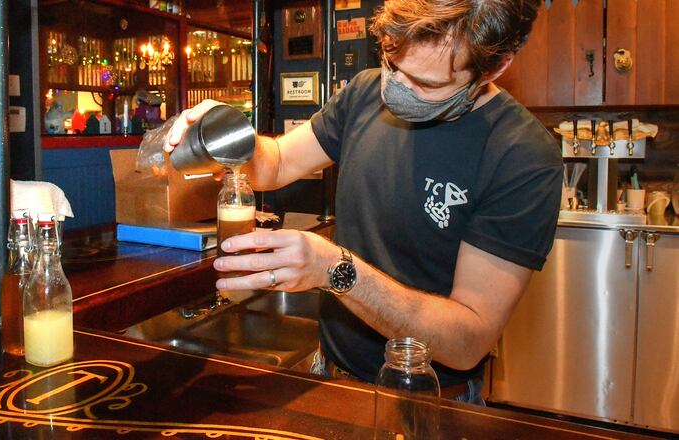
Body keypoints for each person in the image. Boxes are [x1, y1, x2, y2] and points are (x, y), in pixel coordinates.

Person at [166, 0, 561, 404]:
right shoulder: (366, 92)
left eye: (426, 84)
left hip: (427, 400)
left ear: (495, 67)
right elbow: (279, 162)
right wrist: (227, 135)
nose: (397, 88)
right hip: (330, 375)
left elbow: (467, 341)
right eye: (393, 62)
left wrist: (336, 270)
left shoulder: (523, 155)